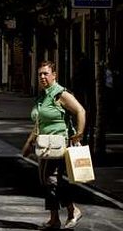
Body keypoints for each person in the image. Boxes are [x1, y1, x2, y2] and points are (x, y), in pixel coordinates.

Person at [22, 61, 86, 229]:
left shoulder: (60, 93)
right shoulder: (43, 96)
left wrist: (78, 133)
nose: (42, 77)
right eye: (40, 74)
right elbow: (38, 124)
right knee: (46, 180)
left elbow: (80, 111)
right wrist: (29, 144)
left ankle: (72, 210)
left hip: (58, 143)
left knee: (51, 180)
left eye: (46, 73)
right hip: (44, 144)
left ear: (54, 75)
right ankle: (54, 218)